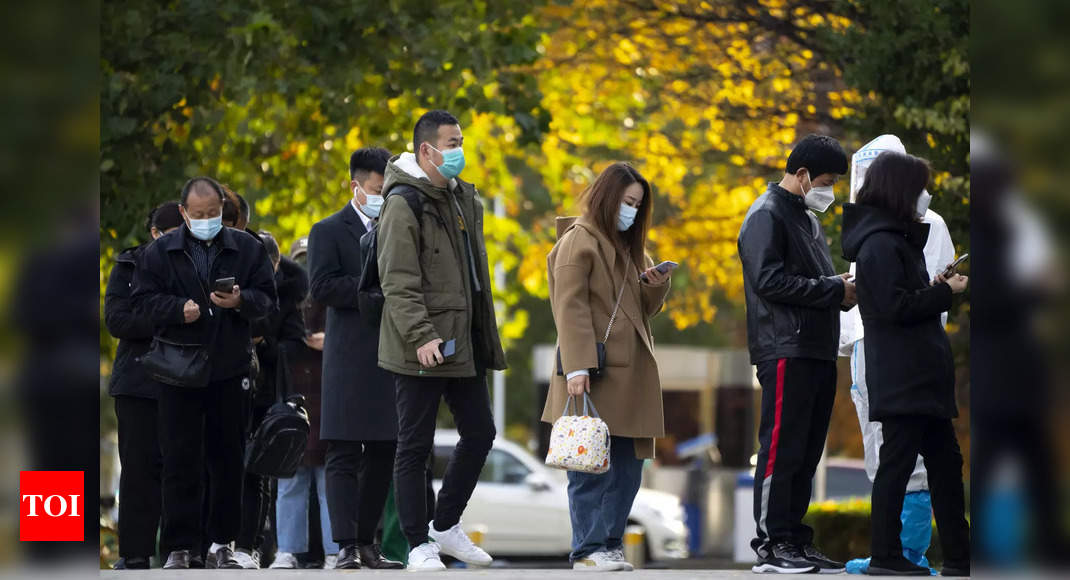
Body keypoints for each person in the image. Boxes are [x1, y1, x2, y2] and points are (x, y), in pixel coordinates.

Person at [377, 110, 507, 571]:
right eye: (452, 142)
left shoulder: (459, 196)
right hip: (422, 345)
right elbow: (397, 280)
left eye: (461, 140)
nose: (459, 150)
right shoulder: (403, 203)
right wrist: (420, 334)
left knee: (481, 432)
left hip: (462, 340)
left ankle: (444, 525)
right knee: (415, 445)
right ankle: (417, 544)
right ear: (426, 150)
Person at [132, 176, 278, 569]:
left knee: (228, 459)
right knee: (179, 460)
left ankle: (222, 542)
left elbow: (267, 300)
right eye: (198, 215)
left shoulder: (247, 248)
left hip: (229, 368)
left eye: (213, 214)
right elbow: (142, 304)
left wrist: (240, 300)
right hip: (177, 370)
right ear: (183, 214)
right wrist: (177, 310)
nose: (207, 221)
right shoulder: (159, 252)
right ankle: (179, 545)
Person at [840, 151, 970, 577]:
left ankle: (959, 556)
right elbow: (893, 308)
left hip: (920, 378)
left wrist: (935, 287)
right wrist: (944, 292)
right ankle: (885, 556)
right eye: (918, 187)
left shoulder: (896, 239)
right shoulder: (879, 243)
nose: (925, 195)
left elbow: (903, 300)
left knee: (947, 468)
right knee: (897, 468)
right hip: (903, 378)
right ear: (900, 191)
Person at [540, 162, 671, 571]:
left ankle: (609, 544)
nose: (631, 210)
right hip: (593, 374)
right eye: (626, 201)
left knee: (628, 469)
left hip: (629, 375)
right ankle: (588, 550)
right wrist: (577, 366)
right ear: (607, 196)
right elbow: (570, 307)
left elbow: (642, 313)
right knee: (589, 466)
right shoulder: (579, 242)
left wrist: (653, 283)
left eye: (636, 204)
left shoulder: (630, 249)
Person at [737, 134, 854, 574]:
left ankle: (794, 538)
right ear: (801, 174)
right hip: (785, 346)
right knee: (781, 447)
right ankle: (770, 544)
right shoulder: (766, 215)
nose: (829, 191)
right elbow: (768, 281)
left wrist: (840, 287)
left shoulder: (805, 218)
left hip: (816, 347)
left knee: (806, 450)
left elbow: (806, 281)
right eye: (825, 181)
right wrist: (833, 288)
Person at [307, 147, 405, 570]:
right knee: (344, 451)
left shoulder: (400, 227)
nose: (383, 197)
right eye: (377, 189)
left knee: (385, 450)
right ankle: (344, 544)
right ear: (356, 187)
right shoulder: (327, 230)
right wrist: (373, 292)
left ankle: (368, 542)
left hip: (391, 354)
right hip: (347, 356)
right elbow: (323, 286)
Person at [106, 201, 184, 570]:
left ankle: (178, 551)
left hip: (185, 379)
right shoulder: (128, 266)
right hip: (137, 381)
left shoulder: (194, 264)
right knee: (137, 469)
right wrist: (171, 315)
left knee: (180, 468)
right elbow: (117, 319)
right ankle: (134, 553)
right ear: (155, 234)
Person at [233, 231, 309, 569]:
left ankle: (248, 544)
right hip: (228, 385)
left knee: (257, 473)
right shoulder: (235, 287)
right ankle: (219, 541)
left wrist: (265, 343)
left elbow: (294, 342)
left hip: (265, 392)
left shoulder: (289, 293)